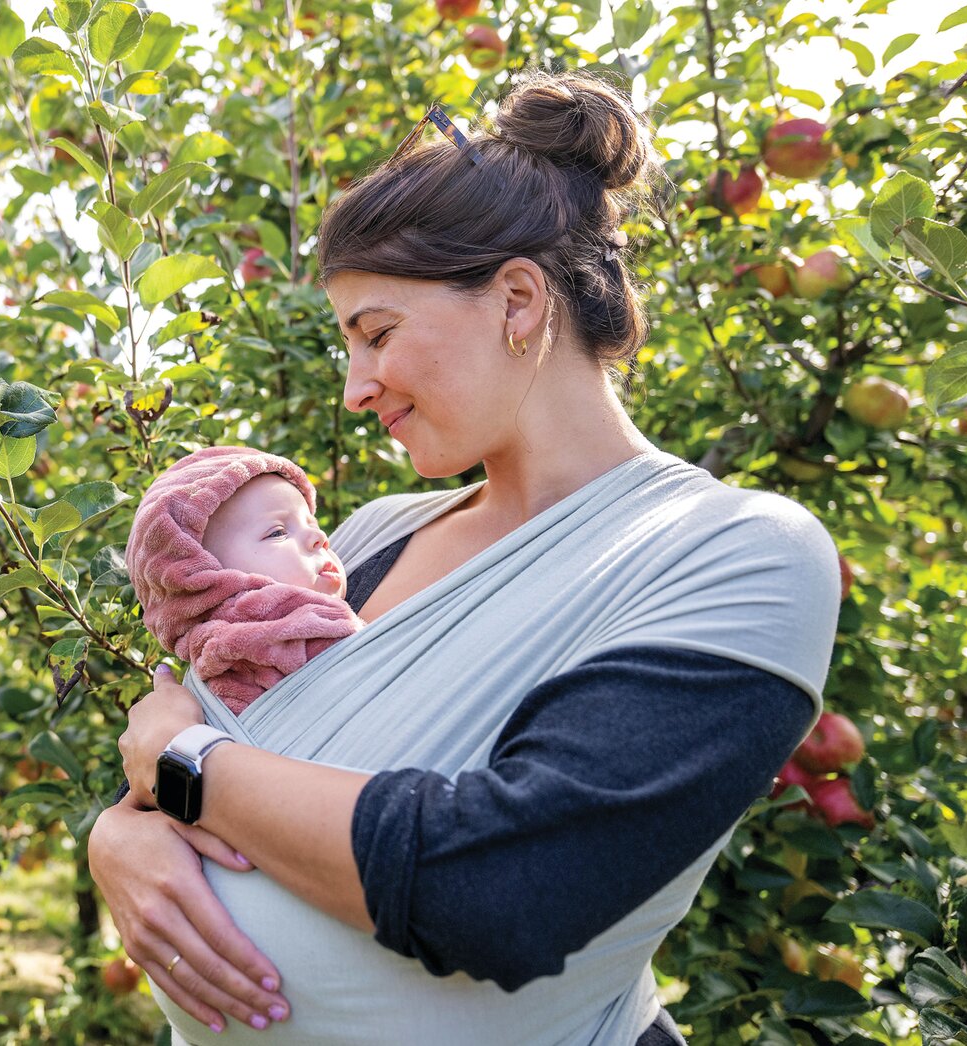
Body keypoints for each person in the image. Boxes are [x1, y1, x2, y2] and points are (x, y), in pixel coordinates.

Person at [89, 69, 840, 1045]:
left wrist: (181, 765)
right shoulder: (366, 539)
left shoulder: (734, 551)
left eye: (377, 334)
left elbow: (502, 885)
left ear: (518, 300)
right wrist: (119, 829)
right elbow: (210, 719)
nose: (357, 388)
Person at [125, 445, 360, 714]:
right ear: (204, 581)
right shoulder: (265, 645)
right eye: (278, 532)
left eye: (313, 524)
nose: (319, 539)